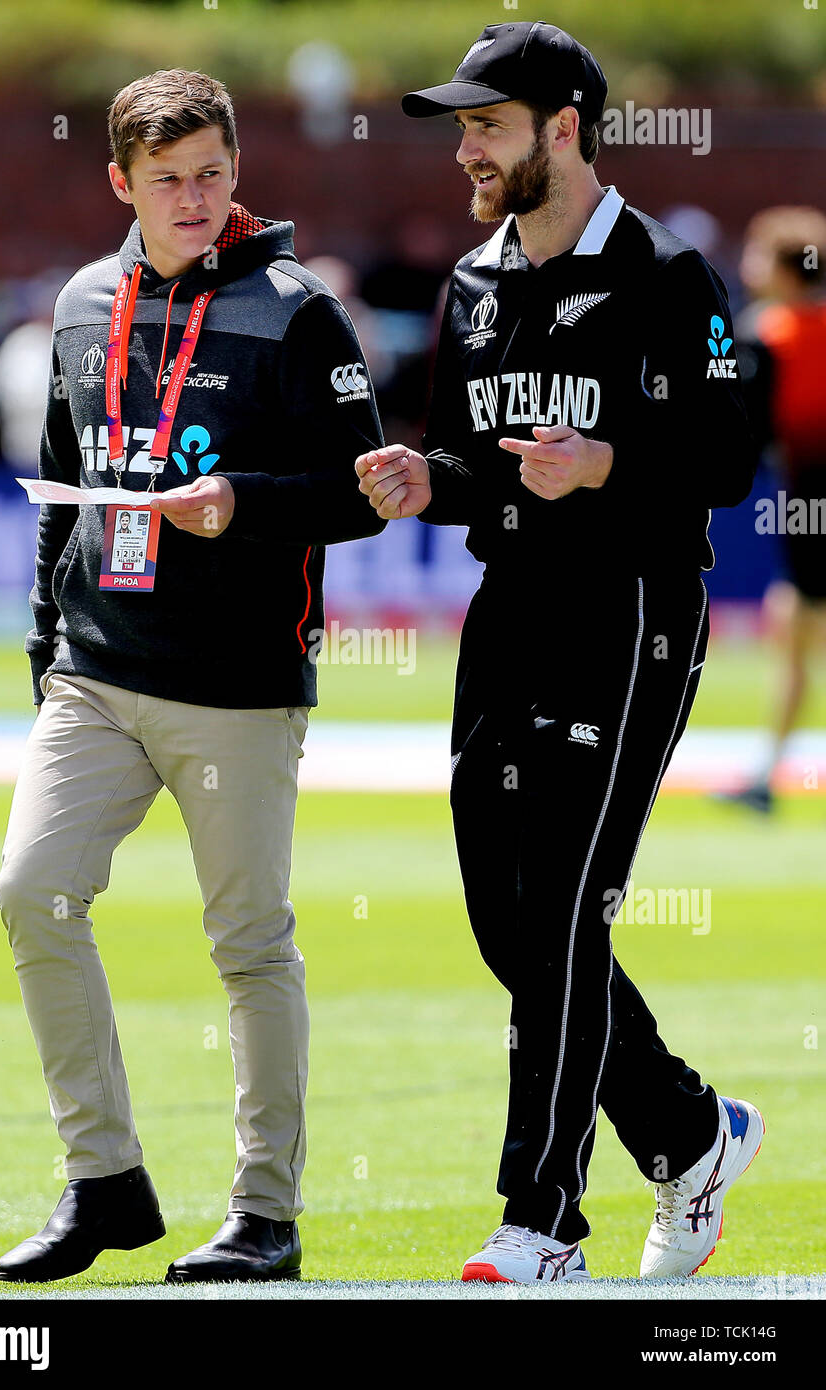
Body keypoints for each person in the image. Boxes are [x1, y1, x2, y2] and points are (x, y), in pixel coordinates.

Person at [357, 20, 763, 1283]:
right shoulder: (471, 285)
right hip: (511, 612)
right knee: (509, 923)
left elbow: (728, 465)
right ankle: (692, 1133)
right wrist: (431, 478)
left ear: (565, 129)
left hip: (632, 611)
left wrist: (606, 466)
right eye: (462, 126)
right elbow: (486, 468)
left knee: (570, 912)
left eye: (487, 124)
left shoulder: (665, 271)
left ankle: (541, 1223)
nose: (465, 149)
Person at [0, 67, 384, 1285]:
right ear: (121, 182)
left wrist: (243, 505)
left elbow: (365, 494)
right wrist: (45, 638)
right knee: (29, 892)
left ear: (234, 171)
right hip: (96, 675)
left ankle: (265, 1214)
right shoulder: (77, 302)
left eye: (212, 172)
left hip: (241, 685)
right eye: (168, 179)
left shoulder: (298, 309)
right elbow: (66, 483)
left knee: (249, 945)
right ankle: (103, 1181)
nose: (195, 198)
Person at [719, 207, 826, 813]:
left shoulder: (769, 333)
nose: (750, 265)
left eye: (761, 254)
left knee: (795, 630)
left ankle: (765, 776)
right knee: (792, 627)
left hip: (809, 505)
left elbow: (746, 433)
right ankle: (766, 774)